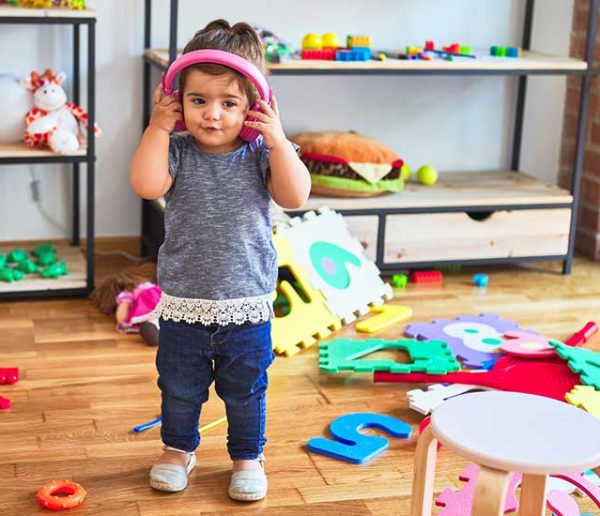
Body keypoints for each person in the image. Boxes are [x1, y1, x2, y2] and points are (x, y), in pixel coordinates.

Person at [129, 19, 310, 501]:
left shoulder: (261, 153)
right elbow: (147, 185)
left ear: (255, 106)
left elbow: (295, 195)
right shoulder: (177, 150)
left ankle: (248, 457)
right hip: (184, 303)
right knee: (180, 387)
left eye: (229, 103)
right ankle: (177, 449)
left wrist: (277, 138)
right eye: (198, 101)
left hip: (246, 304)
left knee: (246, 390)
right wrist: (157, 127)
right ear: (176, 99)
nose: (212, 115)